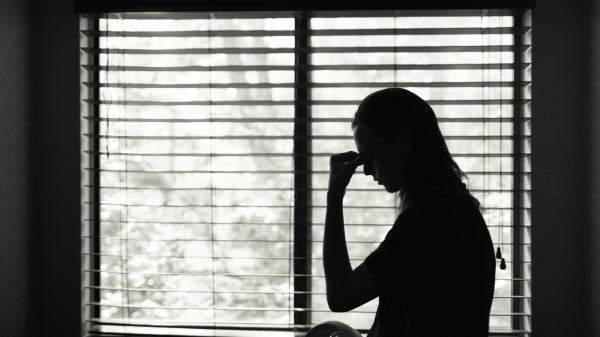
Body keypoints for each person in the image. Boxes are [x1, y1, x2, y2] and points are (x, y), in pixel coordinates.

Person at [323, 88, 496, 337]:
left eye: (370, 155)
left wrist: (334, 196)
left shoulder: (429, 220)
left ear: (404, 142)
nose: (366, 170)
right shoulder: (453, 208)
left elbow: (340, 296)